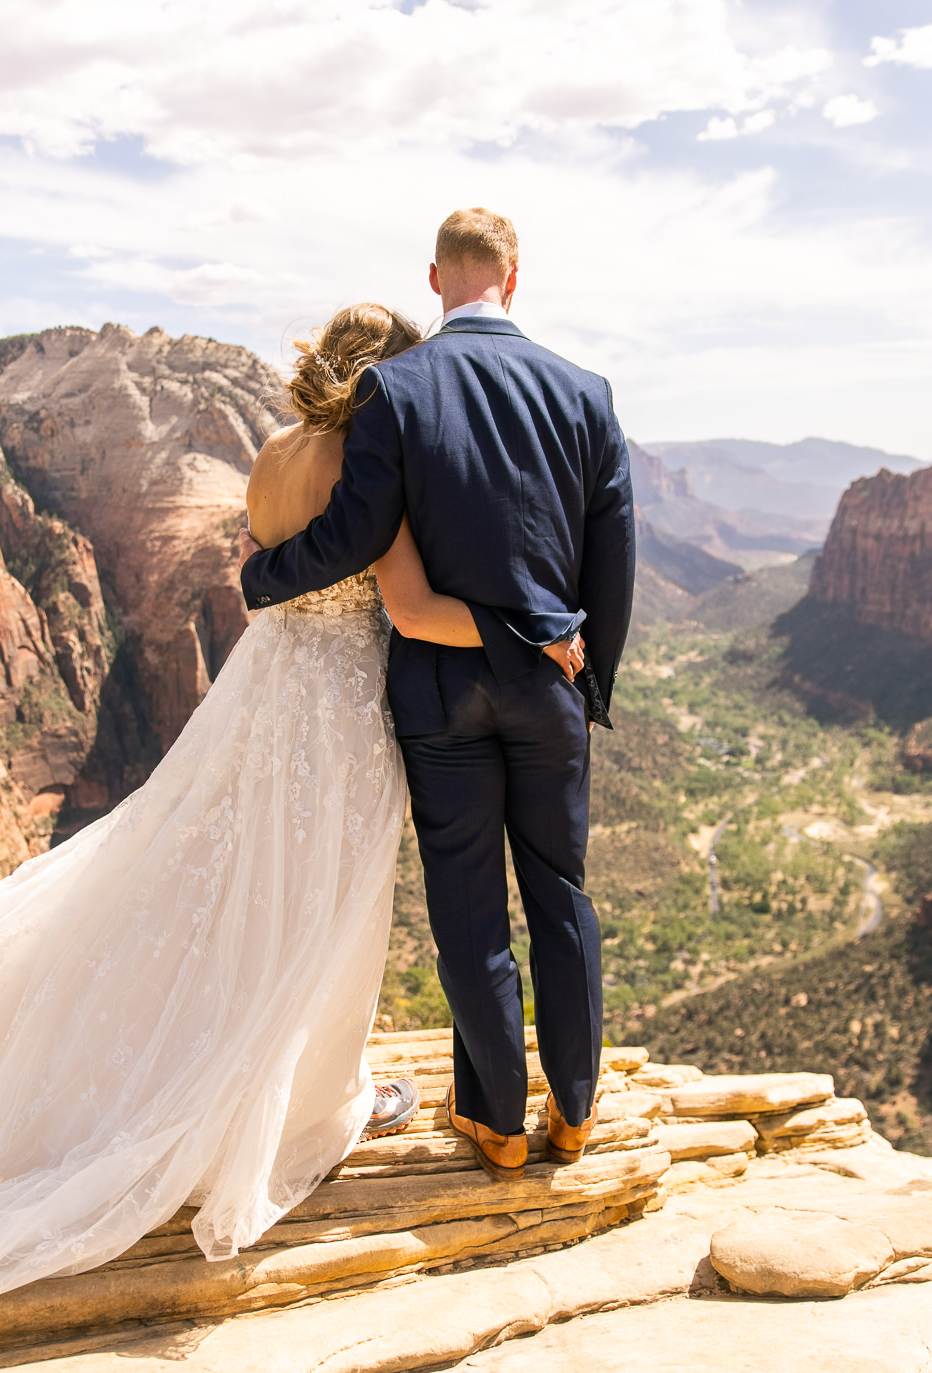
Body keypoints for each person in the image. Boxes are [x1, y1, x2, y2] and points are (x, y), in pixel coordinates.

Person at [0, 301, 583, 1373]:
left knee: (222, 890)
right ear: (390, 384)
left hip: (260, 696)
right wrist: (531, 635)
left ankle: (211, 1072)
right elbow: (405, 608)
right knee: (321, 907)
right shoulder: (376, 470)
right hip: (342, 714)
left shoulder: (269, 453)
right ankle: (306, 1104)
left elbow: (263, 581)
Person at [241, 207, 637, 1180]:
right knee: (560, 893)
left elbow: (357, 532)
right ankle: (575, 1111)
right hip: (552, 676)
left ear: (435, 277)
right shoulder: (586, 390)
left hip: (440, 685)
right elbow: (614, 552)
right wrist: (592, 677)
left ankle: (496, 1119)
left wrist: (262, 576)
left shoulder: (396, 387)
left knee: (468, 904)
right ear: (514, 276)